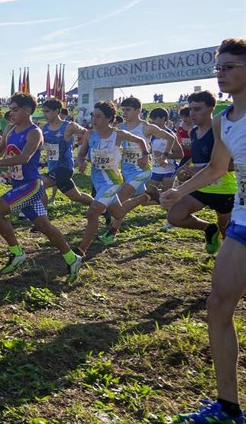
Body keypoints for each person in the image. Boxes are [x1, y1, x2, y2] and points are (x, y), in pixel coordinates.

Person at [162, 38, 246, 424]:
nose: (221, 73)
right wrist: (181, 189)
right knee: (217, 305)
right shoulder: (222, 120)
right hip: (243, 219)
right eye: (218, 67)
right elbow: (216, 169)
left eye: (229, 66)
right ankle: (228, 407)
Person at [0, 92, 83, 282]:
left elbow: (24, 158)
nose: (11, 113)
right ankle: (72, 258)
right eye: (10, 109)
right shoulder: (11, 130)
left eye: (15, 109)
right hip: (20, 185)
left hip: (30, 186)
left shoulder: (34, 132)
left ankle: (17, 252)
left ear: (28, 110)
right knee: (43, 225)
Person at [75, 100, 150, 256]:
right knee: (118, 212)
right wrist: (81, 163)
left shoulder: (118, 134)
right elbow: (81, 155)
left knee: (93, 212)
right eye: (92, 116)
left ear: (109, 118)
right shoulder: (89, 135)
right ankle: (145, 197)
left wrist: (145, 156)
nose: (94, 120)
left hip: (113, 181)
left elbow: (141, 141)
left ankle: (80, 251)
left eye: (98, 116)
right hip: (97, 180)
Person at [166, 91, 237, 253]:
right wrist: (186, 167)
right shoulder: (193, 132)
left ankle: (226, 264)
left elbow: (231, 164)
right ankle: (209, 229)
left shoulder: (220, 130)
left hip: (223, 188)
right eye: (190, 109)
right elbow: (199, 156)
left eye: (197, 109)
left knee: (227, 234)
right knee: (175, 216)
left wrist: (196, 169)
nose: (192, 113)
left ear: (211, 108)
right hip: (200, 187)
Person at [98, 97, 176, 244]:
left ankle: (111, 233)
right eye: (123, 110)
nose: (125, 113)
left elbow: (170, 138)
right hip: (125, 170)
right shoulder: (120, 127)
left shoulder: (146, 128)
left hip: (141, 170)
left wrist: (165, 155)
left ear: (138, 110)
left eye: (128, 110)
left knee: (119, 200)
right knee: (123, 202)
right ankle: (150, 197)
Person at [40, 98, 93, 208]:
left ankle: (41, 221)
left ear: (57, 111)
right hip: (52, 168)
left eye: (47, 111)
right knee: (76, 196)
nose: (45, 115)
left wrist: (81, 151)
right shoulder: (44, 128)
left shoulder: (69, 126)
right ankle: (102, 208)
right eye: (43, 111)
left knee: (39, 185)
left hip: (65, 168)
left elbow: (88, 134)